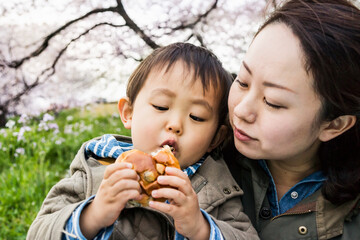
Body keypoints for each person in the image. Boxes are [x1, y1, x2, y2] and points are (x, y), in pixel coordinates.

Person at [27, 42, 259, 240]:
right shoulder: (95, 168)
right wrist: (93, 215)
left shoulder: (220, 186)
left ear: (215, 138)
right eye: (161, 106)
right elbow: (38, 232)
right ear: (128, 112)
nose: (176, 124)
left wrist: (200, 227)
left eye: (196, 117)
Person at [224, 0, 360, 239]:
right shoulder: (201, 155)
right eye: (243, 81)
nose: (242, 111)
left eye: (273, 102)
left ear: (334, 124)